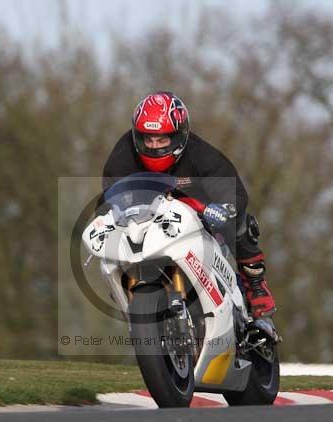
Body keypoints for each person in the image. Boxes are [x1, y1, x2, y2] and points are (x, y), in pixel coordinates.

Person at [102, 91, 277, 319]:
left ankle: (255, 284)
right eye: (148, 139)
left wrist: (225, 208)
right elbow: (110, 196)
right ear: (138, 136)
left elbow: (231, 187)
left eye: (162, 139)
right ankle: (127, 292)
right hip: (150, 219)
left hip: (200, 212)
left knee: (241, 222)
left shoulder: (200, 154)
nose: (154, 147)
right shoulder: (123, 156)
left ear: (179, 137)